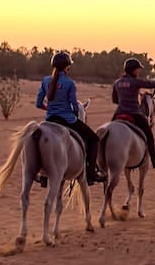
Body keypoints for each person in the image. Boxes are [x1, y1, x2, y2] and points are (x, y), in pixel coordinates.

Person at [36, 52, 107, 186]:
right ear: (67, 67)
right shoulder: (69, 83)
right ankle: (91, 174)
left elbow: (39, 103)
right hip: (67, 120)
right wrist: (72, 113)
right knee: (93, 139)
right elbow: (74, 106)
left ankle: (43, 176)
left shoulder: (45, 81)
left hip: (50, 119)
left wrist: (50, 110)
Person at [111, 58, 155, 169]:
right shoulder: (135, 82)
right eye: (137, 69)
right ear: (132, 70)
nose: (138, 72)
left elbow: (115, 100)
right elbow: (153, 85)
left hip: (118, 114)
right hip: (134, 113)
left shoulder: (117, 83)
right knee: (149, 136)